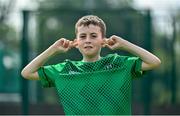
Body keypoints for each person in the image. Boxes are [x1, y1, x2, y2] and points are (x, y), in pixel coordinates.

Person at [21, 15, 161, 115]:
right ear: (76, 42)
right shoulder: (65, 69)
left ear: (103, 40)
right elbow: (27, 73)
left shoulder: (119, 63)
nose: (88, 40)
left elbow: (154, 62)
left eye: (93, 36)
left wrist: (124, 44)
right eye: (83, 36)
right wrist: (53, 49)